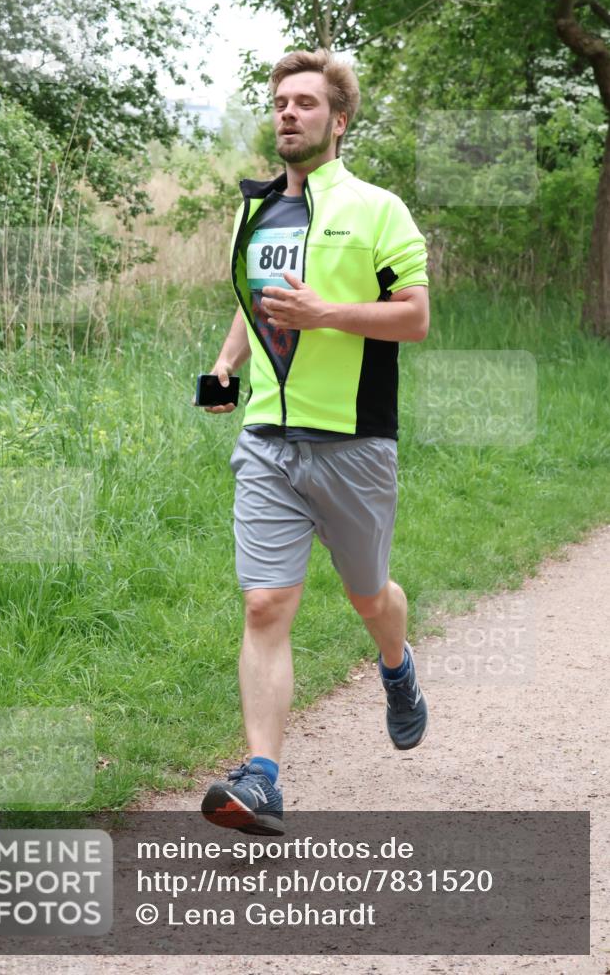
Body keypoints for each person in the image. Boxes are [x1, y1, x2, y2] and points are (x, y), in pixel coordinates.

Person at [200, 49, 430, 837]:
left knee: (369, 597)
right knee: (265, 604)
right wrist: (227, 363)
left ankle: (396, 668)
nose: (287, 113)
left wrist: (327, 314)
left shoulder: (377, 209)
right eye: (278, 102)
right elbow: (254, 304)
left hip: (354, 440)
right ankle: (260, 777)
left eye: (304, 103)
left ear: (337, 120)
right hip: (268, 436)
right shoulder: (255, 212)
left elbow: (414, 317)